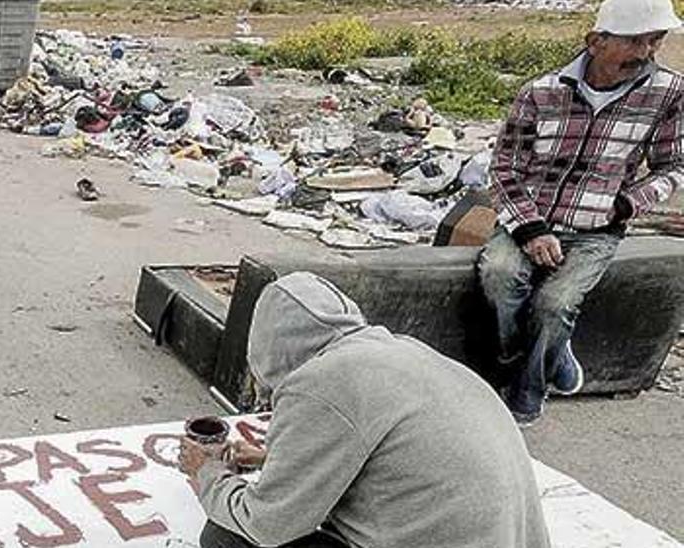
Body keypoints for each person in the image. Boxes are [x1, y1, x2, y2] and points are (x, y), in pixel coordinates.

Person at [178, 273, 550, 548]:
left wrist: (208, 474)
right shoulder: (400, 350)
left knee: (226, 536)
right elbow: (396, 453)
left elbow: (268, 525)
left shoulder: (319, 382)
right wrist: (270, 457)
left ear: (269, 349)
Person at [479, 0, 684, 426]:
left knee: (555, 304)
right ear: (596, 42)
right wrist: (532, 229)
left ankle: (527, 390)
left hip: (597, 227)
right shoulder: (540, 92)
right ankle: (545, 354)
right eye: (634, 41)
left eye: (655, 41)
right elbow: (504, 167)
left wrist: (627, 203)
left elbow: (674, 165)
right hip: (529, 219)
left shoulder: (669, 93)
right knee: (499, 277)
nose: (646, 52)